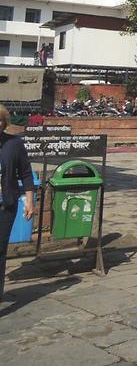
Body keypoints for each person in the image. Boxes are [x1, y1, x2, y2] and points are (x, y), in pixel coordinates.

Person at [0, 104, 35, 303]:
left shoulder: (14, 144)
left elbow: (26, 173)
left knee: (0, 249)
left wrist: (29, 201)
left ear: (5, 123)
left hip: (6, 205)